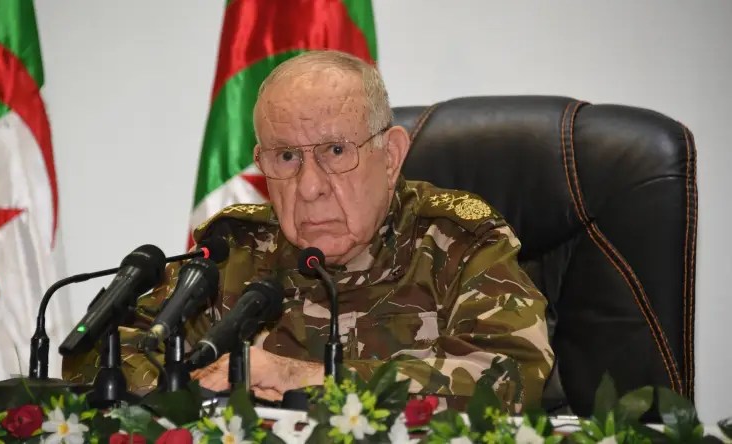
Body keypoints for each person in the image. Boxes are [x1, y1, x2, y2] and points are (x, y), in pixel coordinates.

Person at [62, 50, 553, 412]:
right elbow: (99, 357)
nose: (310, 186)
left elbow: (510, 375)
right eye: (286, 157)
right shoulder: (235, 251)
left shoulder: (458, 242)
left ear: (391, 156)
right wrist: (192, 388)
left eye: (336, 151)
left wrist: (310, 379)